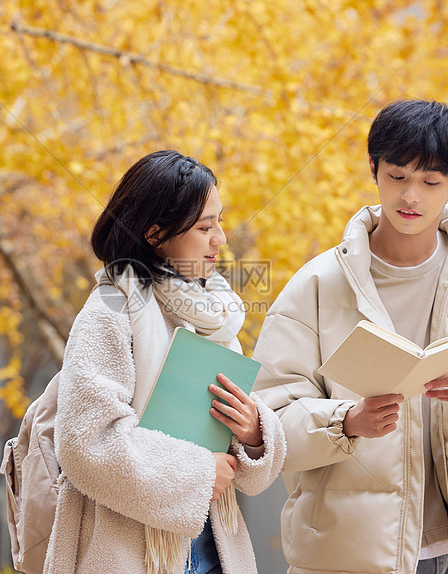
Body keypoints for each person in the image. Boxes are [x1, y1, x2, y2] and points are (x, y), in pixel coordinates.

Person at [252, 100, 448, 574]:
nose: (411, 197)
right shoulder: (317, 284)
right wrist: (347, 421)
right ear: (374, 169)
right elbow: (267, 422)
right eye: (397, 176)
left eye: (431, 182)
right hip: (350, 550)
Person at [45, 150, 286, 574]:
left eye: (220, 221)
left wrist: (253, 433)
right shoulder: (109, 309)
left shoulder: (213, 314)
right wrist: (196, 474)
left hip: (215, 549)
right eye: (204, 227)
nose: (220, 239)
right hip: (127, 553)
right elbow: (86, 444)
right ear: (156, 234)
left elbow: (241, 462)